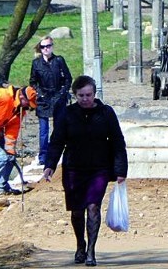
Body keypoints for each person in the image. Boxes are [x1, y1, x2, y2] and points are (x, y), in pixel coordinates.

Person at [43, 75, 128, 267]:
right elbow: (57, 141)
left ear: (94, 94)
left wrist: (120, 169)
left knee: (93, 207)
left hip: (99, 168)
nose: (85, 99)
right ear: (75, 95)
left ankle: (91, 250)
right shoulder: (67, 114)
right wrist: (50, 165)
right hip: (73, 168)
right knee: (76, 210)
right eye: (81, 95)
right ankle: (80, 244)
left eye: (88, 95)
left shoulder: (106, 113)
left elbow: (117, 142)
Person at [0, 85, 37, 198]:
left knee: (9, 158)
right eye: (28, 104)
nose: (28, 107)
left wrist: (10, 151)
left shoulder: (19, 112)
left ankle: (1, 186)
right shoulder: (4, 96)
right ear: (21, 96)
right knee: (1, 158)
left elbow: (12, 132)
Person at [29, 36, 72, 167]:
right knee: (43, 130)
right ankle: (43, 156)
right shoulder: (36, 63)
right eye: (43, 47)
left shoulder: (59, 60)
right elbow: (32, 81)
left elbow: (68, 78)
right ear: (40, 49)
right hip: (43, 99)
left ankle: (58, 154)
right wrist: (39, 94)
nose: (46, 49)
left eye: (48, 46)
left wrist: (63, 93)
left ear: (52, 46)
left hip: (58, 97)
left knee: (59, 128)